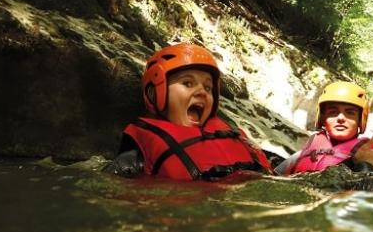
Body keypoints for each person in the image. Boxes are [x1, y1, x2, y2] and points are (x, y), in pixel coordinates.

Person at [105, 43, 273, 180]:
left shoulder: (226, 133)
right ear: (154, 92)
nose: (202, 92)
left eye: (208, 87)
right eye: (188, 83)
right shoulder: (137, 158)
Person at [275, 81, 373, 175]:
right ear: (322, 117)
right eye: (333, 112)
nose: (341, 118)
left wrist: (368, 167)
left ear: (360, 120)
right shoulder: (310, 147)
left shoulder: (371, 153)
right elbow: (274, 175)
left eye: (350, 113)